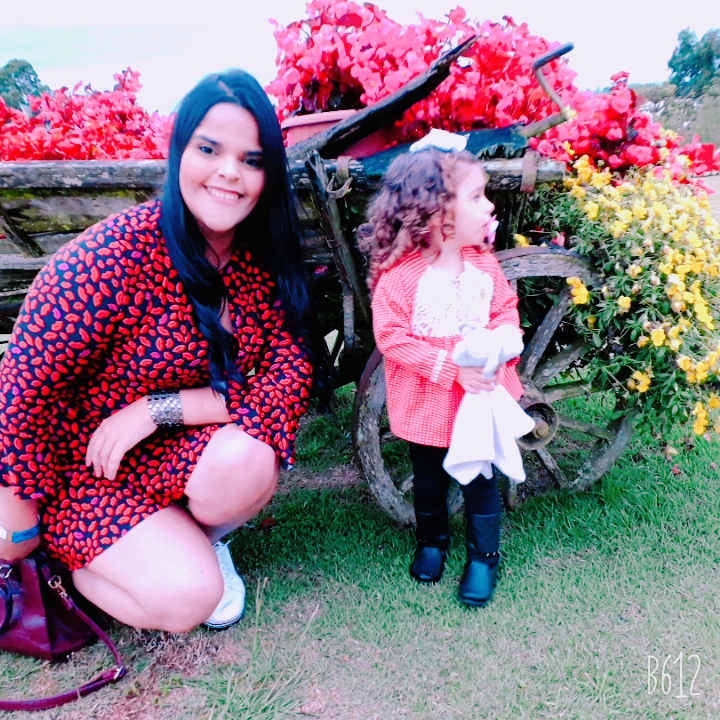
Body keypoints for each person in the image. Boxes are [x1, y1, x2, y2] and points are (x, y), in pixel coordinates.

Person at [0, 69, 320, 632]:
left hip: (173, 447)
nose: (230, 172)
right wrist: (18, 518)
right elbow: (23, 389)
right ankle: (82, 563)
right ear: (178, 154)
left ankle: (185, 540)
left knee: (250, 460)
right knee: (191, 599)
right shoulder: (110, 259)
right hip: (88, 466)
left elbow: (288, 378)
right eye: (209, 149)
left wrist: (157, 410)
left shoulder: (261, 259)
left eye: (251, 159)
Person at [358, 141, 524, 607]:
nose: (489, 206)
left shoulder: (484, 263)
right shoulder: (401, 276)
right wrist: (452, 368)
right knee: (429, 481)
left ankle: (484, 557)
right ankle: (432, 542)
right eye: (476, 196)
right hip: (427, 404)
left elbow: (505, 308)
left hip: (479, 402)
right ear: (435, 213)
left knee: (481, 481)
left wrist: (502, 339)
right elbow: (391, 337)